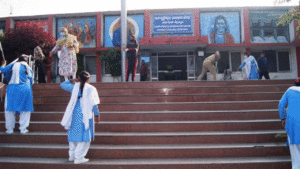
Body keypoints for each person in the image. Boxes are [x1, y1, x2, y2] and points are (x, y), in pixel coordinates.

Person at [60, 71, 100, 164]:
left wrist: (71, 80)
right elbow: (94, 104)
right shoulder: (91, 88)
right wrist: (97, 115)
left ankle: (72, 156)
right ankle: (79, 157)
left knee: (73, 134)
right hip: (85, 114)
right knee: (84, 136)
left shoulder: (74, 87)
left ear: (78, 78)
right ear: (88, 79)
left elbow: (62, 85)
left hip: (74, 114)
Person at [0, 55, 34, 134]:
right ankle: (23, 129)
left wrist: (3, 64)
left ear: (18, 60)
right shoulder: (29, 68)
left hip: (12, 89)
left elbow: (2, 70)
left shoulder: (13, 65)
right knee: (25, 109)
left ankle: (10, 129)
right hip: (26, 89)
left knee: (9, 109)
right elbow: (31, 81)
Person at [278, 78, 300, 169]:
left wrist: (282, 118)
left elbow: (281, 104)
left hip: (292, 123)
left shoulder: (289, 90)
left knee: (294, 149)